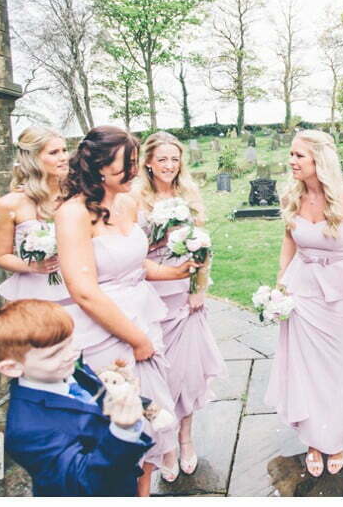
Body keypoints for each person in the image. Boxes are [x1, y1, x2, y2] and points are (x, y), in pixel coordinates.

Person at [54, 125, 199, 496]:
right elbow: (83, 290)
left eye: (135, 162)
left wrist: (174, 271)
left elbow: (137, 263)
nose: (135, 170)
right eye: (127, 164)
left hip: (145, 318)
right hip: (106, 330)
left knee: (151, 429)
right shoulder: (73, 214)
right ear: (100, 166)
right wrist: (135, 340)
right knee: (119, 424)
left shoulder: (127, 202)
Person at [264, 130, 343, 477]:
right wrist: (281, 284)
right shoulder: (291, 196)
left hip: (337, 294)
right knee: (304, 369)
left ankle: (333, 439)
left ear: (318, 160)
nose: (291, 161)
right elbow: (288, 241)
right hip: (301, 290)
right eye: (291, 155)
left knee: (333, 369)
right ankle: (312, 439)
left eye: (299, 156)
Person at [0, 299, 152, 496]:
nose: (71, 355)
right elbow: (82, 484)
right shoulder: (26, 431)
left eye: (70, 343)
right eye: (54, 354)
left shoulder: (61, 370)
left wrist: (129, 401)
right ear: (12, 367)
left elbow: (93, 399)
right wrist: (122, 432)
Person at [131, 131, 225, 480]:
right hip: (151, 295)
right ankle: (165, 446)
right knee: (159, 379)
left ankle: (186, 439)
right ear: (149, 163)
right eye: (162, 159)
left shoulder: (189, 194)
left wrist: (198, 288)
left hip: (185, 297)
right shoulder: (136, 199)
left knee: (187, 374)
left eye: (174, 159)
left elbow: (203, 247)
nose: (169, 165)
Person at [0, 126, 69, 303]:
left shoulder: (75, 196)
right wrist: (33, 266)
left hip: (76, 286)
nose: (63, 157)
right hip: (34, 293)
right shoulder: (9, 204)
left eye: (64, 150)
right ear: (33, 159)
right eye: (54, 152)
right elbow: (2, 256)